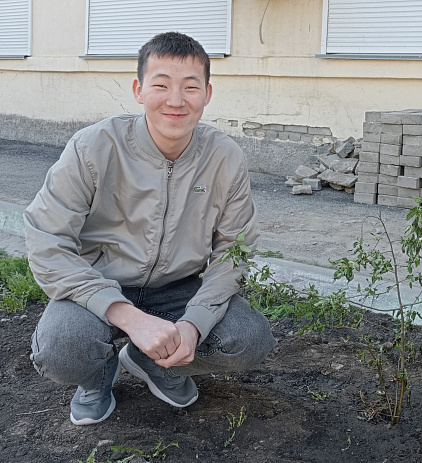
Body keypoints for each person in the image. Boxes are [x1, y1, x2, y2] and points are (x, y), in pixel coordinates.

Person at [25, 31, 277, 425]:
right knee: (62, 350)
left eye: (190, 87)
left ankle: (154, 361)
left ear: (207, 93)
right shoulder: (93, 147)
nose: (176, 100)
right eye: (161, 85)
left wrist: (194, 324)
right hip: (97, 286)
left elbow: (234, 248)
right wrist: (127, 315)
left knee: (248, 340)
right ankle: (95, 379)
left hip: (177, 288)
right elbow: (46, 238)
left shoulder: (225, 157)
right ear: (139, 89)